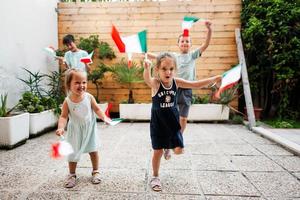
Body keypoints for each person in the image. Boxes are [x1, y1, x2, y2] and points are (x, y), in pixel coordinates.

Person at [143, 52, 221, 192]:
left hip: (173, 124)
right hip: (158, 125)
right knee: (157, 152)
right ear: (157, 70)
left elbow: (195, 84)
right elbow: (147, 79)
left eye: (171, 69)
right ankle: (155, 176)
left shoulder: (176, 82)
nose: (168, 72)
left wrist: (214, 78)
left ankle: (169, 147)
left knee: (179, 150)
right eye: (164, 69)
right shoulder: (155, 84)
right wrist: (146, 68)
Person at [55, 69, 111, 188]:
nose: (81, 85)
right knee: (72, 153)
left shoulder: (89, 97)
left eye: (84, 82)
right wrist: (61, 128)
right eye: (77, 83)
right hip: (75, 131)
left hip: (89, 129)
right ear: (69, 85)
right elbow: (63, 116)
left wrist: (104, 118)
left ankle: (95, 171)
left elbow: (97, 109)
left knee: (93, 150)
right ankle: (72, 174)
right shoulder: (67, 101)